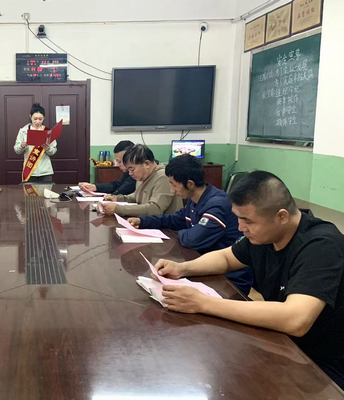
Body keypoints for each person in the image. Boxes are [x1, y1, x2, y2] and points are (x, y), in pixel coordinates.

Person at [154, 171, 344, 388]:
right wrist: (182, 268)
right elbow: (226, 258)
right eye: (238, 218)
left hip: (325, 364)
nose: (240, 228)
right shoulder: (265, 235)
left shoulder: (321, 245)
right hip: (285, 344)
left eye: (248, 221)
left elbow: (296, 319)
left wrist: (203, 303)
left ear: (282, 216)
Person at [128, 155, 253, 293]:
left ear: (190, 184)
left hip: (228, 279)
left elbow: (193, 239)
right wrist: (143, 221)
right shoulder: (195, 200)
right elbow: (176, 219)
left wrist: (178, 233)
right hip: (202, 266)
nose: (172, 190)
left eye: (173, 185)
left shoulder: (217, 204)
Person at [100, 144, 182, 217]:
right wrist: (117, 199)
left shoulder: (163, 177)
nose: (130, 173)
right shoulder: (143, 176)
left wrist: (119, 209)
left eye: (132, 169)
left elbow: (155, 209)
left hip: (167, 228)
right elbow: (136, 196)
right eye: (128, 170)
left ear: (147, 164)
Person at [14, 103, 57, 182]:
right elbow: (17, 150)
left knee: (46, 190)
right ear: (30, 117)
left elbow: (53, 151)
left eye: (40, 119)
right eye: (35, 119)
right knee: (29, 190)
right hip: (30, 171)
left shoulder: (48, 132)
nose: (37, 121)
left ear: (44, 118)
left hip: (45, 172)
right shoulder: (23, 131)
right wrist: (22, 146)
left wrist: (48, 149)